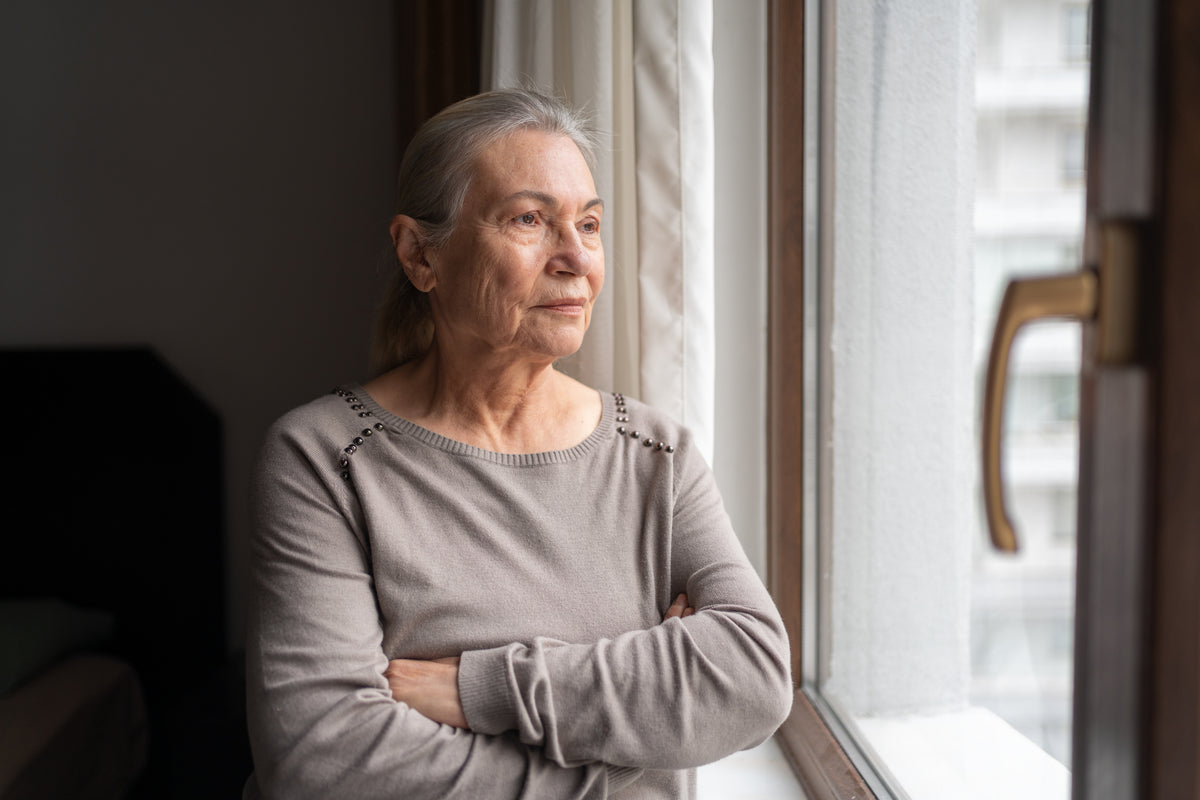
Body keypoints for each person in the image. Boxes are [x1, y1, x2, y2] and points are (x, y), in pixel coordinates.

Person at [243, 88, 792, 800]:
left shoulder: (657, 457)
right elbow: (326, 761)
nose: (575, 258)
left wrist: (481, 692)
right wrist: (640, 747)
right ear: (419, 255)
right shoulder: (324, 459)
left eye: (589, 225)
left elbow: (753, 680)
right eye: (530, 219)